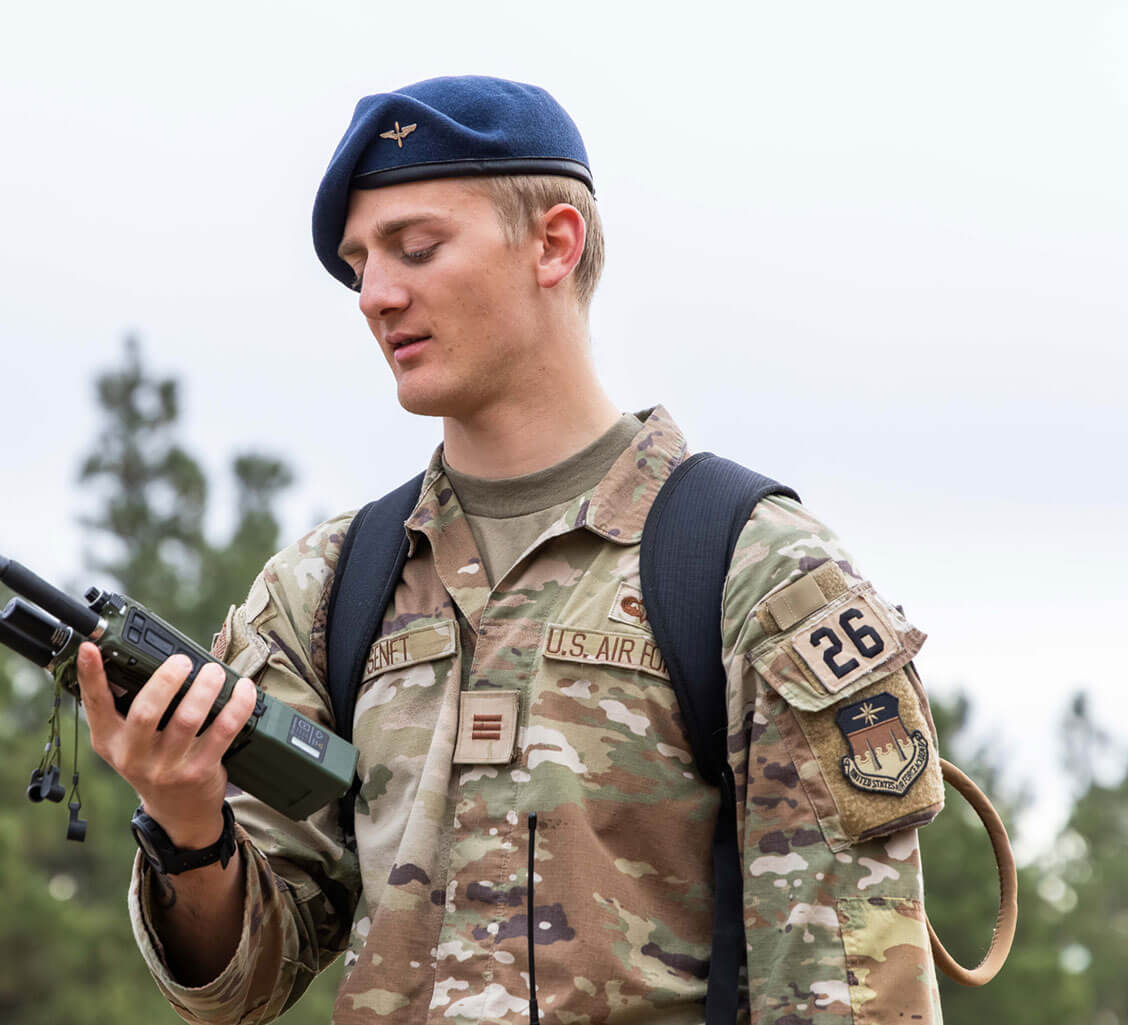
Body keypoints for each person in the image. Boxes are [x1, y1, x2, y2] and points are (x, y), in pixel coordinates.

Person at [75, 76, 947, 1025]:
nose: (376, 295)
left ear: (554, 244)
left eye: (416, 248)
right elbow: (238, 985)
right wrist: (187, 823)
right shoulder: (324, 589)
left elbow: (852, 994)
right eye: (358, 264)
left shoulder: (755, 573)